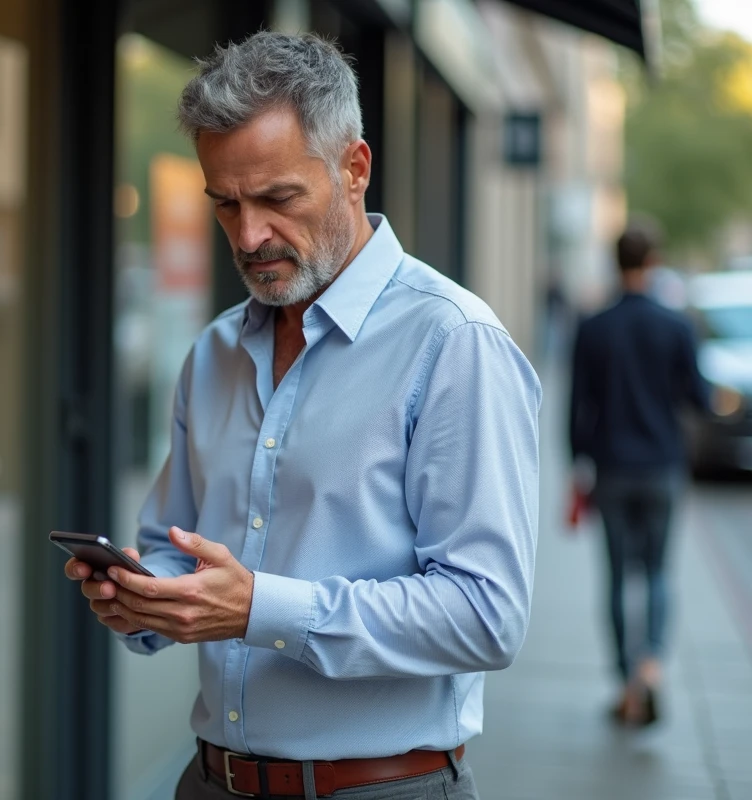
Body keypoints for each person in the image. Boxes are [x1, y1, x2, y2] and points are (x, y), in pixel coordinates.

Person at [65, 33, 541, 800]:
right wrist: (146, 596)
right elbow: (172, 544)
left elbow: (486, 615)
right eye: (225, 203)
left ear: (354, 169)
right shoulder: (215, 350)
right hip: (208, 781)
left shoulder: (454, 342)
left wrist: (260, 608)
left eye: (278, 199)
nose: (248, 236)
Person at [569, 223, 736, 726]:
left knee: (619, 576)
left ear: (616, 262)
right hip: (663, 465)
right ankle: (653, 665)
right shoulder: (676, 325)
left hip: (612, 468)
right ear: (655, 260)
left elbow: (579, 407)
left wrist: (577, 469)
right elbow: (699, 398)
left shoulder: (594, 326)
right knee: (659, 572)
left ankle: (626, 682)